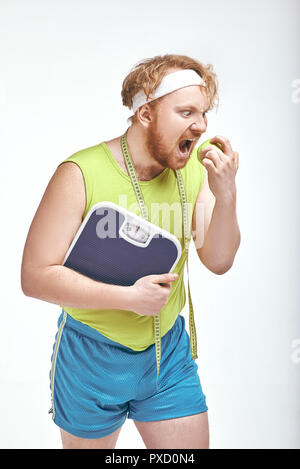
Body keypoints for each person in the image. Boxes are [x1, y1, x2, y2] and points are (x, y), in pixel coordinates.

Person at [21, 54, 240, 449]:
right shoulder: (80, 173)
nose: (201, 125)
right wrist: (128, 298)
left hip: (166, 355)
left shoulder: (193, 171)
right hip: (90, 357)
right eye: (186, 111)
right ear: (145, 114)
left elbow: (219, 260)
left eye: (204, 113)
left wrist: (226, 195)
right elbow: (35, 276)